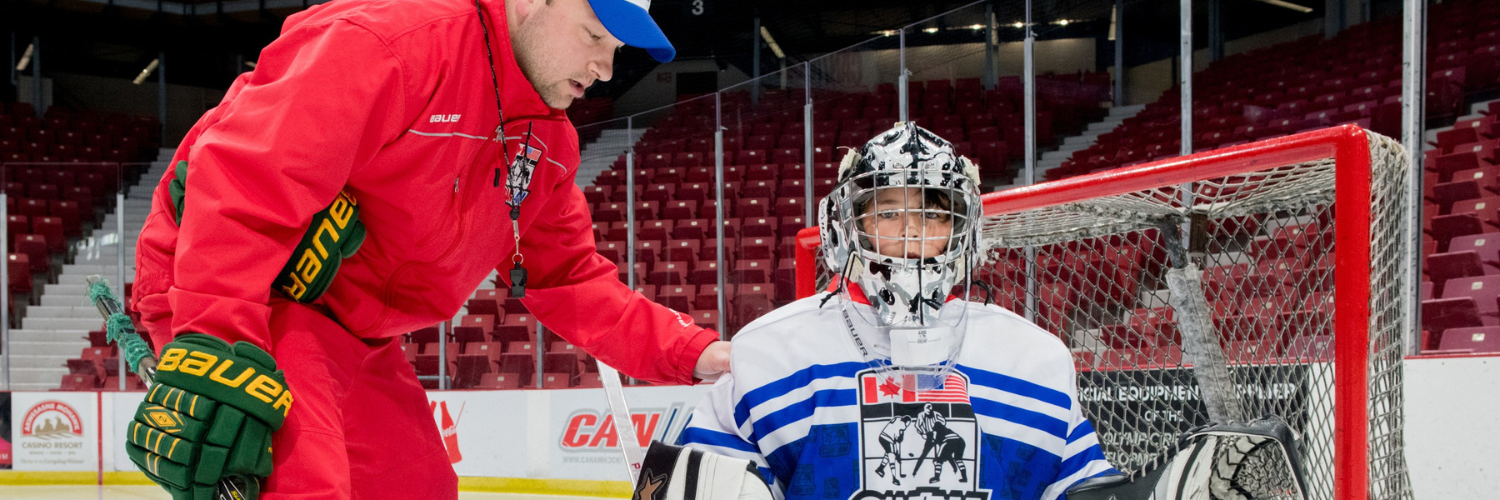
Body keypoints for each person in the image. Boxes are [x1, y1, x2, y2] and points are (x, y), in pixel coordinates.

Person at [125, 0, 729, 498]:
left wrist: (698, 353)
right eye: (594, 34)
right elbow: (249, 182)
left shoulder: (548, 143)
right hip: (252, 294)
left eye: (616, 50)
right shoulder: (392, 44)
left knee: (418, 487)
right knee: (304, 483)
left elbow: (570, 279)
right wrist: (212, 341)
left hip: (356, 333)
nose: (604, 67)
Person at [675, 123, 1117, 500]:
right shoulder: (771, 352)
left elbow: (1083, 485)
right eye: (888, 213)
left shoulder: (1033, 358)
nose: (909, 231)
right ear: (852, 224)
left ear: (961, 230)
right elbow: (706, 481)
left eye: (932, 214)